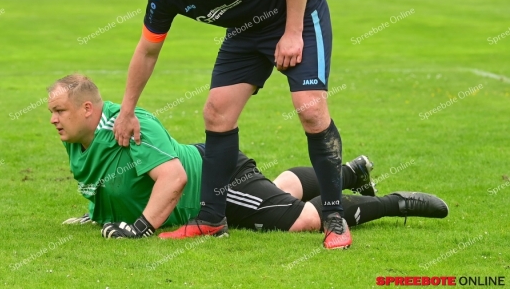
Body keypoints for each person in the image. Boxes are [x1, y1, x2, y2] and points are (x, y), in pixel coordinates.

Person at [113, 0, 352, 248]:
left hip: (297, 15)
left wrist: (293, 33)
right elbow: (147, 52)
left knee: (310, 110)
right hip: (246, 33)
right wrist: (127, 110)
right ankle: (211, 219)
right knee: (217, 112)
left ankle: (334, 217)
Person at [49, 75, 449, 238]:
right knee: (277, 191)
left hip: (215, 184)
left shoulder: (132, 124)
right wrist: (98, 210)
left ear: (88, 109)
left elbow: (173, 180)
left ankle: (395, 203)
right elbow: (105, 180)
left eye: (59, 111)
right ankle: (348, 173)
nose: (53, 120)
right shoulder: (75, 138)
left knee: (303, 219)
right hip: (219, 174)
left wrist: (139, 228)